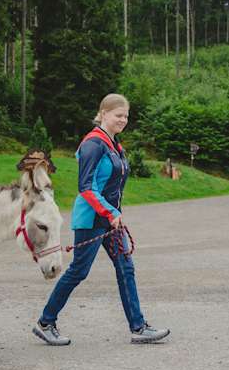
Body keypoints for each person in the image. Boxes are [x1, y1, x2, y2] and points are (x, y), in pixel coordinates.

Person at [33, 94, 170, 346]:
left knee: (126, 268)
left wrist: (114, 212)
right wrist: (110, 212)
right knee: (78, 272)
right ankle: (45, 322)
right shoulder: (93, 144)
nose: (123, 120)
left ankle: (138, 327)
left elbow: (113, 184)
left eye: (126, 116)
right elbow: (86, 187)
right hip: (92, 219)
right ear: (103, 113)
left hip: (110, 220)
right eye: (118, 115)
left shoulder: (114, 144)